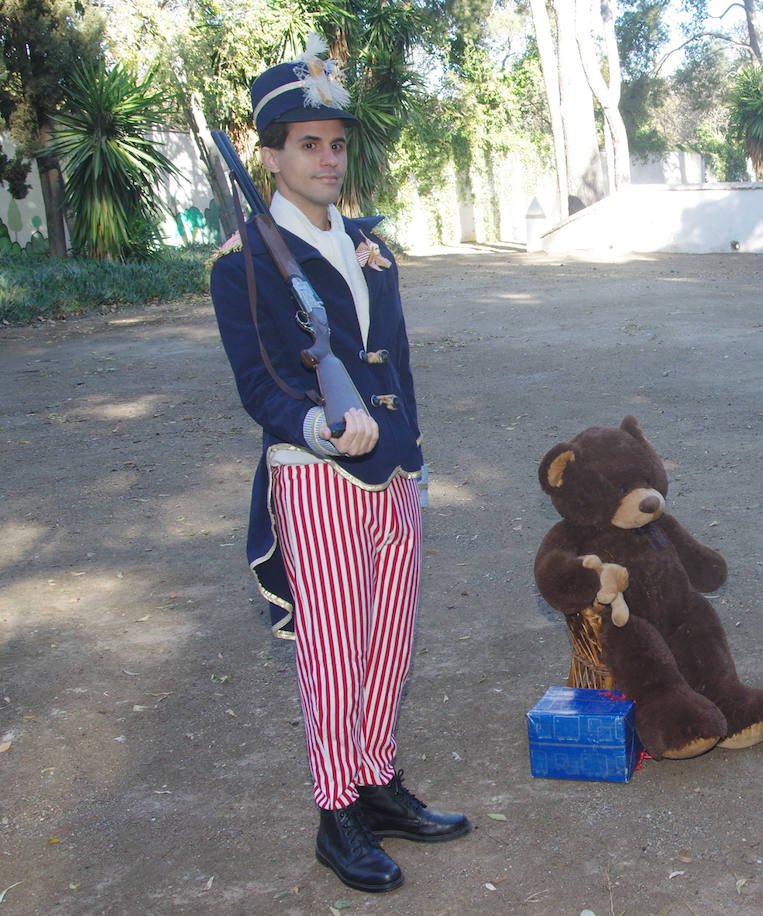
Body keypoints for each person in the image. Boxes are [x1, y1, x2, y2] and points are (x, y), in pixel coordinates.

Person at [210, 44, 470, 893]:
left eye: (337, 144)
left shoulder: (368, 244)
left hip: (396, 471)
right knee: (334, 651)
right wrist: (318, 425)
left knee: (389, 638)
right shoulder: (243, 259)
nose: (328, 159)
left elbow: (394, 363)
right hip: (314, 475)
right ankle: (336, 812)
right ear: (273, 155)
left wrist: (418, 454)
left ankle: (378, 780)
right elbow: (261, 385)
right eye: (309, 144)